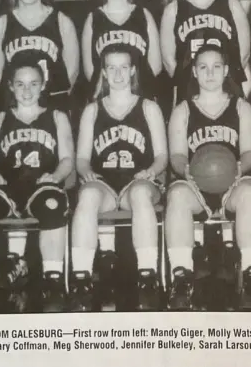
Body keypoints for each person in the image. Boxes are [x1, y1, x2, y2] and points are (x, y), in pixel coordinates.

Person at [0, 55, 73, 313]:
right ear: (11, 87)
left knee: (52, 204)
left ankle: (53, 281)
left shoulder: (57, 117)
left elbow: (68, 158)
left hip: (42, 183)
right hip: (7, 185)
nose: (27, 90)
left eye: (33, 84)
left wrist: (57, 176)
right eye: (21, 84)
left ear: (43, 85)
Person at [165, 44, 251, 311]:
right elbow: (176, 155)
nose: (210, 73)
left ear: (225, 72)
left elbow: (249, 152)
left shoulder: (241, 107)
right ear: (195, 74)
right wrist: (184, 169)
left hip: (235, 181)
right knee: (176, 195)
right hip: (197, 183)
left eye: (216, 67)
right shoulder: (183, 110)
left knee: (249, 193)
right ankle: (181, 277)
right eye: (203, 67)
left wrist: (238, 170)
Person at [70, 46, 168, 312]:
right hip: (105, 183)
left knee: (139, 195)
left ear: (133, 70)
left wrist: (152, 171)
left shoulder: (148, 107)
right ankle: (81, 279)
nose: (117, 73)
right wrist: (85, 170)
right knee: (87, 195)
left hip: (138, 181)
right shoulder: (92, 110)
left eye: (123, 67)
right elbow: (80, 158)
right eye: (111, 68)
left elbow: (162, 156)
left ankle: (148, 277)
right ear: (103, 73)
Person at [160, 0, 251, 108]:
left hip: (226, 88)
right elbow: (168, 61)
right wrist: (193, 86)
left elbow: (243, 55)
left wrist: (220, 84)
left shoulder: (231, 3)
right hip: (189, 91)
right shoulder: (172, 9)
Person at [0, 0, 79, 113]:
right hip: (16, 107)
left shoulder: (62, 21)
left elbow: (72, 72)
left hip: (54, 104)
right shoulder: (1, 24)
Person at [82, 0, 162, 98]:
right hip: (106, 98)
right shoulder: (93, 18)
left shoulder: (144, 14)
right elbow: (90, 70)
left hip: (141, 96)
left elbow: (156, 65)